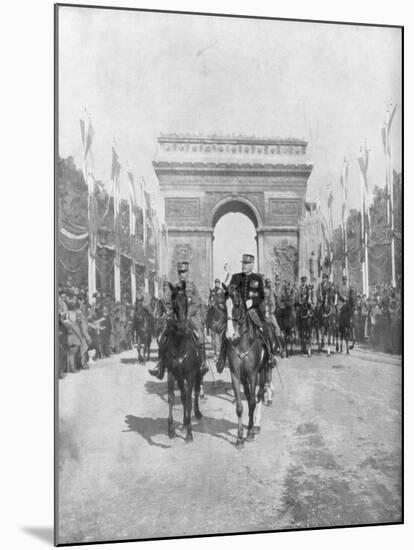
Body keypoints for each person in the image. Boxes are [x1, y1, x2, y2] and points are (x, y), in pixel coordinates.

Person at [216, 254, 277, 373]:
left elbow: (261, 297)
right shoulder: (235, 277)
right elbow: (228, 293)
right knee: (226, 331)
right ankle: (221, 359)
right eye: (243, 263)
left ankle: (270, 355)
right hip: (237, 311)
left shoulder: (257, 278)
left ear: (252, 265)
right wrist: (227, 295)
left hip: (253, 310)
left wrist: (252, 302)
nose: (244, 265)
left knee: (265, 329)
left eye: (247, 263)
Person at [149, 261, 208, 380]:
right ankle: (160, 365)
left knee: (200, 335)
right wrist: (170, 311)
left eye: (184, 272)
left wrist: (187, 313)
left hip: (190, 317)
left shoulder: (192, 286)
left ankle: (202, 363)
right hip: (176, 317)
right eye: (180, 272)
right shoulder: (173, 286)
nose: (182, 274)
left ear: (188, 272)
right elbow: (166, 301)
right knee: (163, 336)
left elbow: (197, 302)